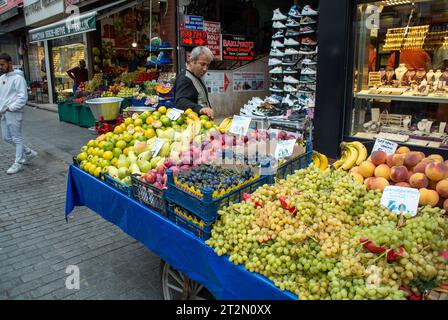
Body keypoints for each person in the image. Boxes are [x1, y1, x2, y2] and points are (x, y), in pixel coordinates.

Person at [0, 53, 38, 174]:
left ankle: (19, 162)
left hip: (14, 112)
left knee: (16, 138)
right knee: (6, 137)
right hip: (4, 113)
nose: (0, 67)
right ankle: (28, 152)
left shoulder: (18, 78)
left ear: (10, 63)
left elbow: (23, 97)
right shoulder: (1, 78)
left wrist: (11, 108)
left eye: (2, 64)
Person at [174, 46, 214, 119]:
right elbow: (180, 102)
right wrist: (200, 109)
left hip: (204, 123)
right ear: (192, 61)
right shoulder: (185, 78)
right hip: (193, 125)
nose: (205, 69)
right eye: (202, 64)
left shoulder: (196, 76)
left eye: (207, 65)